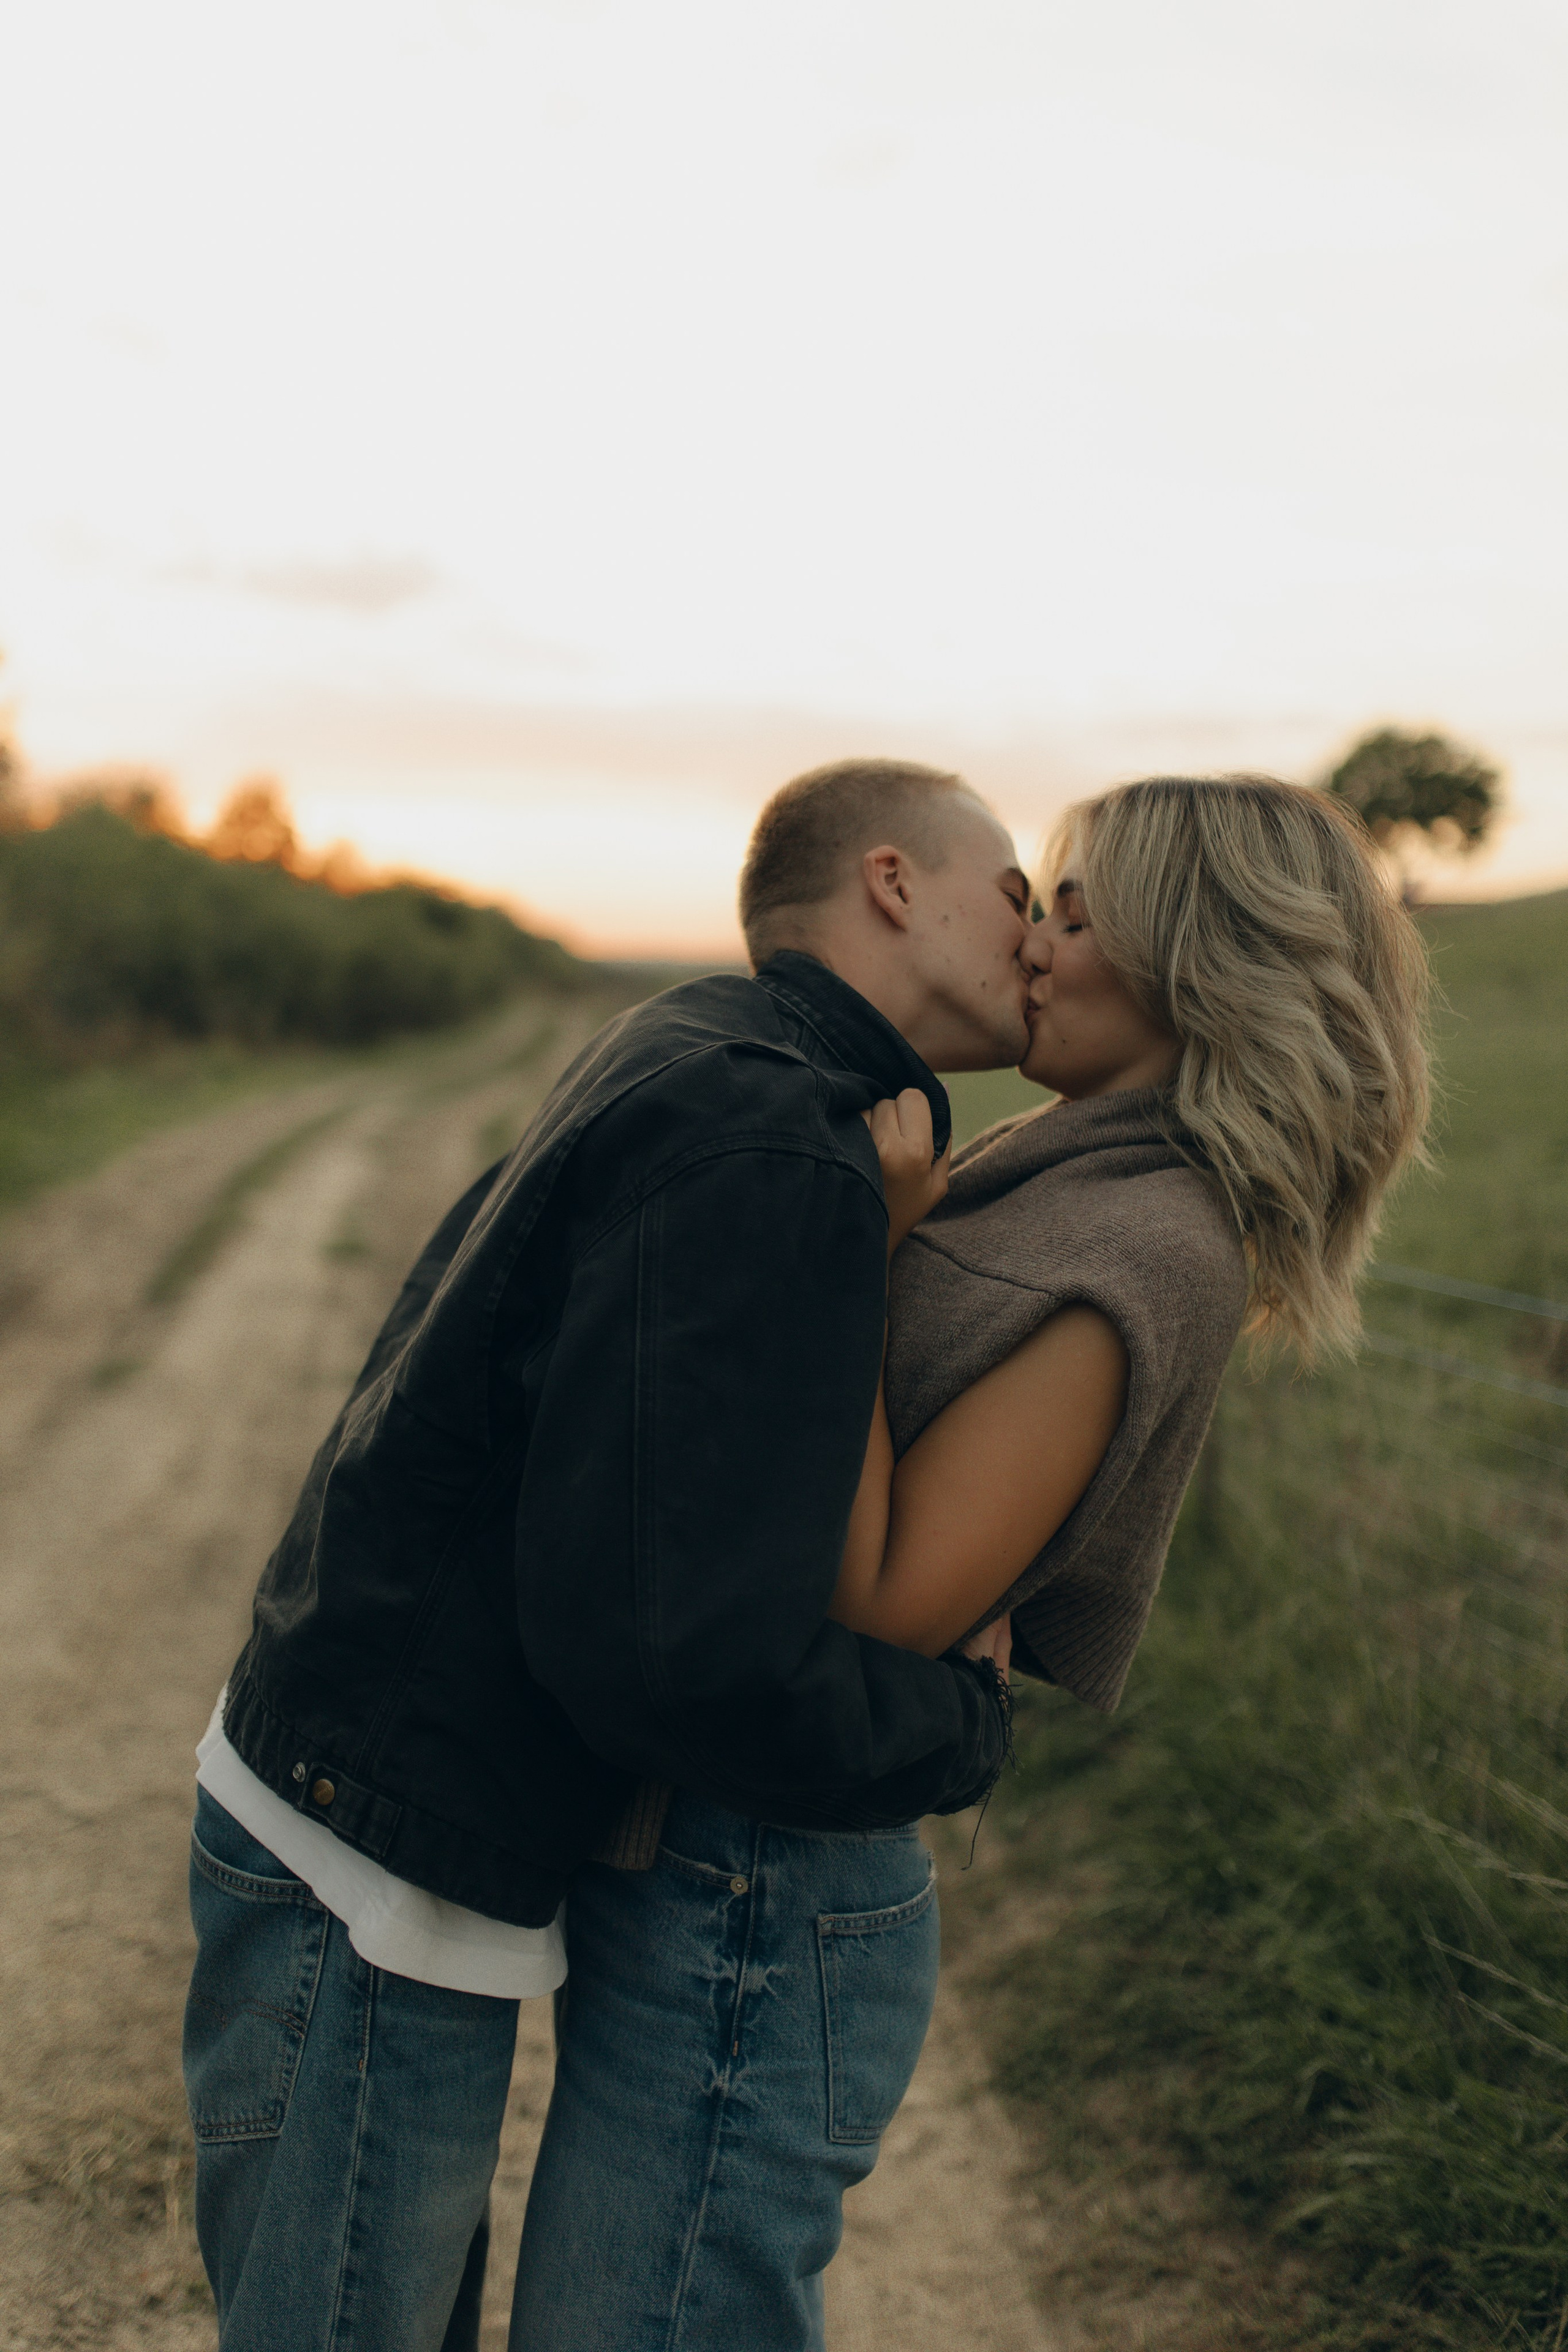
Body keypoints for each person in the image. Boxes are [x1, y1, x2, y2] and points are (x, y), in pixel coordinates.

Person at [182, 756, 1029, 2352]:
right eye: (1015, 891)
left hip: (357, 1801)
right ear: (894, 882)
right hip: (364, 1864)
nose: (1038, 936)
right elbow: (675, 1654)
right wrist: (961, 1723)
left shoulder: (710, 1045)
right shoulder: (777, 1135)